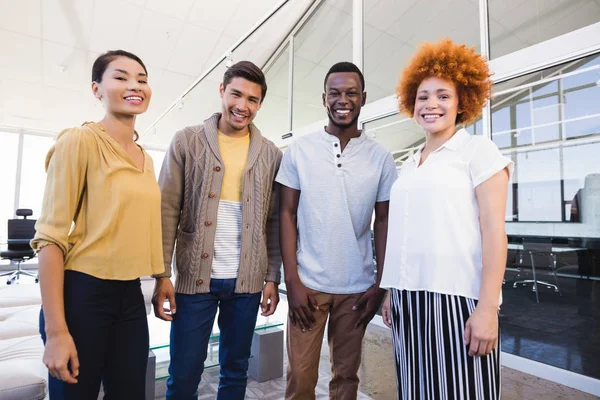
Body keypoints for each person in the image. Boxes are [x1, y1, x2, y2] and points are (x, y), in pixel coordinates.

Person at [380, 39, 513, 400]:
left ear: (462, 102)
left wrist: (488, 309)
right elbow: (407, 231)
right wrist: (394, 288)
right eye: (423, 96)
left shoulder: (477, 151)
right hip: (409, 300)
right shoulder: (410, 162)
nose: (431, 104)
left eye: (443, 95)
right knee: (416, 391)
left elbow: (494, 232)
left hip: (457, 300)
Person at [31, 50, 163, 399]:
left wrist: (162, 277)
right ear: (97, 89)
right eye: (120, 77)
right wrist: (57, 332)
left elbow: (144, 228)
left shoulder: (145, 158)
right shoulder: (80, 141)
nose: (134, 86)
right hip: (82, 295)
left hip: (131, 295)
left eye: (142, 79)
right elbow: (50, 239)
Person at [151, 61, 282, 400]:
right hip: (196, 281)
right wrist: (161, 273)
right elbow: (165, 210)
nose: (242, 106)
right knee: (183, 374)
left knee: (235, 372)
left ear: (260, 104)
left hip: (247, 284)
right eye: (236, 94)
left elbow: (273, 222)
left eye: (252, 99)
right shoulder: (187, 141)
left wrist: (271, 277)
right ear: (221, 91)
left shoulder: (271, 154)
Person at [277, 61, 398, 400]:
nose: (342, 100)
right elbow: (286, 213)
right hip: (308, 286)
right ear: (323, 99)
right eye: (335, 93)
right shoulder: (299, 150)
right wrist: (292, 282)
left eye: (350, 93)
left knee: (346, 379)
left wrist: (380, 284)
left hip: (357, 291)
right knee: (300, 378)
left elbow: (384, 221)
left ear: (363, 98)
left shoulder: (381, 158)